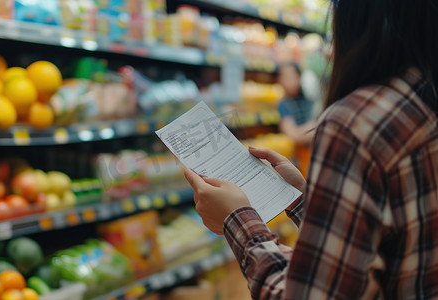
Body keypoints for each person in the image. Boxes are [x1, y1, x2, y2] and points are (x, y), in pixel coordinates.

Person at [184, 1, 438, 299]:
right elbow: (381, 246)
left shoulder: (356, 121)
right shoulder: (423, 103)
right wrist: (307, 200)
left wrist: (236, 219)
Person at [277, 63, 317, 146]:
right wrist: (314, 126)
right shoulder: (284, 104)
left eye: (291, 76)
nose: (288, 81)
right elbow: (292, 135)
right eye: (284, 77)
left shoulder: (308, 99)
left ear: (299, 77)